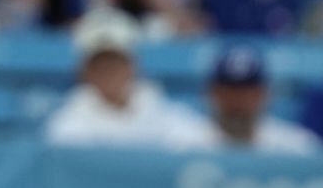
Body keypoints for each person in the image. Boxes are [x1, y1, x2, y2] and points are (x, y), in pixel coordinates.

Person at [44, 9, 208, 147]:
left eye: (116, 62)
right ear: (85, 71)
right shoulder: (67, 125)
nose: (109, 72)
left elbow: (204, 143)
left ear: (132, 65)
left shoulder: (158, 109)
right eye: (99, 65)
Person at [166, 45, 317, 153]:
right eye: (229, 91)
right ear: (211, 94)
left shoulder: (293, 147)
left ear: (265, 95)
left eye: (248, 92)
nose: (238, 101)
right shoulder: (182, 145)